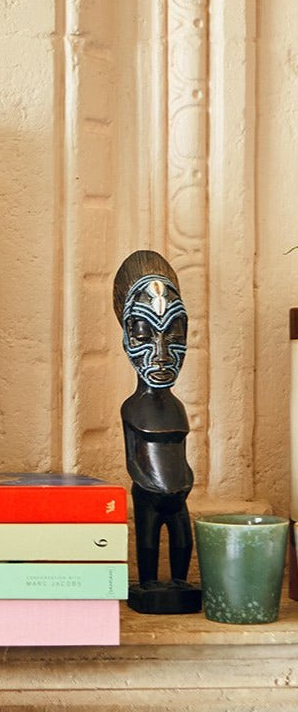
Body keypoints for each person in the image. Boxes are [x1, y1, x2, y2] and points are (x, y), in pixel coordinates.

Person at [112, 250, 202, 613]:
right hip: (148, 496)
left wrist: (184, 481)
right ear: (126, 337)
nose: (162, 354)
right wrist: (152, 484)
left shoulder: (178, 407)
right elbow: (134, 457)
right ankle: (147, 581)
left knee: (183, 541)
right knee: (147, 541)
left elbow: (179, 453)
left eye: (175, 331)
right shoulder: (132, 408)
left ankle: (179, 579)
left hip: (179, 496)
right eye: (144, 332)